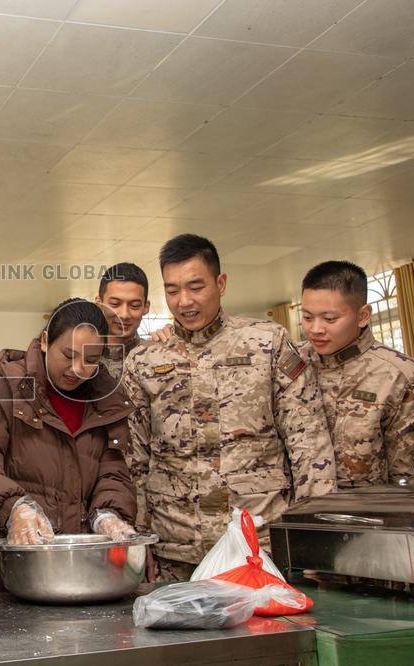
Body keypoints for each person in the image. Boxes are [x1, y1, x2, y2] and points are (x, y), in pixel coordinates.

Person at [123, 234, 336, 582]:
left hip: (258, 545)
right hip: (174, 547)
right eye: (172, 290)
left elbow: (309, 443)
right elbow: (135, 459)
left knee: (268, 636)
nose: (184, 301)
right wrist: (138, 540)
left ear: (220, 284)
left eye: (195, 286)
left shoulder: (267, 342)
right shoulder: (145, 360)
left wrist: (316, 537)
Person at [0, 298, 137, 594]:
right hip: (8, 576)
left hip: (78, 573)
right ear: (46, 341)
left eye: (90, 360)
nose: (77, 369)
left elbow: (112, 472)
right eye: (68, 355)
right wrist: (14, 508)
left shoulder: (105, 402)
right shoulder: (5, 391)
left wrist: (108, 514)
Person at [299, 260, 414, 487]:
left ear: (363, 315)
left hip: (370, 516)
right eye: (307, 317)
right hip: (298, 517)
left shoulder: (402, 377)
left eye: (330, 319)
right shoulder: (291, 364)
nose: (315, 329)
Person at [95, 263, 151, 383]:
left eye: (134, 306)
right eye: (115, 304)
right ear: (99, 304)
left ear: (146, 307)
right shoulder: (82, 353)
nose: (124, 315)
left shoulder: (156, 355)